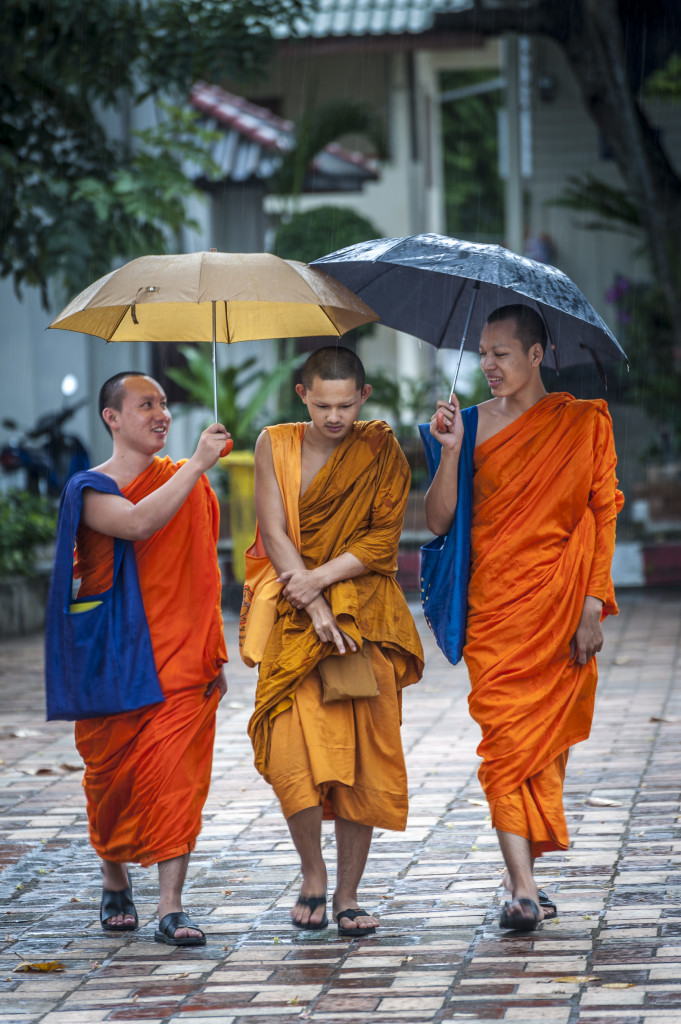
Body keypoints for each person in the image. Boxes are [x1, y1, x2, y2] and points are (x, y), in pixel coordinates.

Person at [425, 305, 623, 931]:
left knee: (544, 749)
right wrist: (451, 451)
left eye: (501, 353)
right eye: (482, 353)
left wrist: (593, 605)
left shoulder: (582, 422)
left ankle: (523, 879)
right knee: (505, 745)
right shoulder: (468, 425)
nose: (487, 365)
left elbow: (602, 513)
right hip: (496, 609)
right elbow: (437, 522)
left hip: (563, 606)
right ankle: (525, 887)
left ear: (537, 355)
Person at [246, 346, 424, 937]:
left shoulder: (379, 449)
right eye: (323, 404)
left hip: (364, 616)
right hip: (299, 618)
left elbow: (383, 540)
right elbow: (272, 531)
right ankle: (312, 872)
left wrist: (322, 580)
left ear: (363, 398)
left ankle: (347, 894)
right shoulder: (275, 443)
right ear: (303, 396)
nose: (335, 417)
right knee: (291, 750)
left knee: (361, 757)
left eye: (346, 404)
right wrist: (311, 599)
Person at [51, 371, 230, 946]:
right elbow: (136, 523)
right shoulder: (90, 487)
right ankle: (114, 876)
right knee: (112, 783)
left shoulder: (183, 481)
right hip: (113, 658)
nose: (161, 414)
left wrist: (211, 649)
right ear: (113, 417)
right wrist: (200, 463)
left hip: (180, 657)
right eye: (145, 404)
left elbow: (203, 572)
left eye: (164, 404)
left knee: (176, 778)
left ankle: (172, 907)